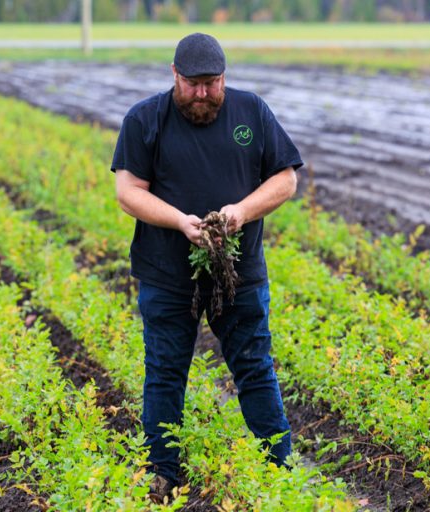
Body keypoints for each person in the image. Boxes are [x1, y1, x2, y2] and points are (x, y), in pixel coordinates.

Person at [110, 33, 302, 503]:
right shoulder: (145, 119)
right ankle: (162, 476)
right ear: (174, 75)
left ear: (224, 78)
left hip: (239, 275)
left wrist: (239, 212)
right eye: (193, 84)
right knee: (165, 372)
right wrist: (181, 222)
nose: (202, 94)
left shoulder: (251, 112)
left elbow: (286, 178)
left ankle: (280, 471)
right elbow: (128, 191)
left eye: (212, 84)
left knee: (255, 368)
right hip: (167, 275)